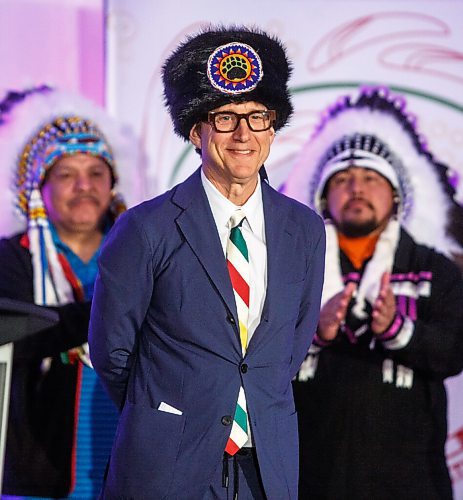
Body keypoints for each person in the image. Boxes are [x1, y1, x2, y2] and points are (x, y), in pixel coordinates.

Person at [89, 25, 325, 499]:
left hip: (267, 467)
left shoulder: (304, 229)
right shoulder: (145, 228)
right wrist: (168, 412)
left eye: (258, 117)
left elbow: (289, 349)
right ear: (196, 131)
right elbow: (111, 355)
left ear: (273, 127)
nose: (243, 134)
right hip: (167, 465)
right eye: (224, 117)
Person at [284, 86, 463, 499]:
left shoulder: (433, 270)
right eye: (343, 179)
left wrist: (398, 329)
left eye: (370, 177)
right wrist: (313, 333)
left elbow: (455, 351)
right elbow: (254, 361)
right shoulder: (293, 271)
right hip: (311, 480)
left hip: (409, 482)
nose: (356, 188)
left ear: (396, 193)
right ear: (323, 197)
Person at [0, 86, 136, 498]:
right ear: (36, 190)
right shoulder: (12, 258)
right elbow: (17, 336)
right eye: (66, 174)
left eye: (96, 172)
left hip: (129, 465)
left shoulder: (143, 254)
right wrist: (107, 312)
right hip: (38, 470)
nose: (84, 186)